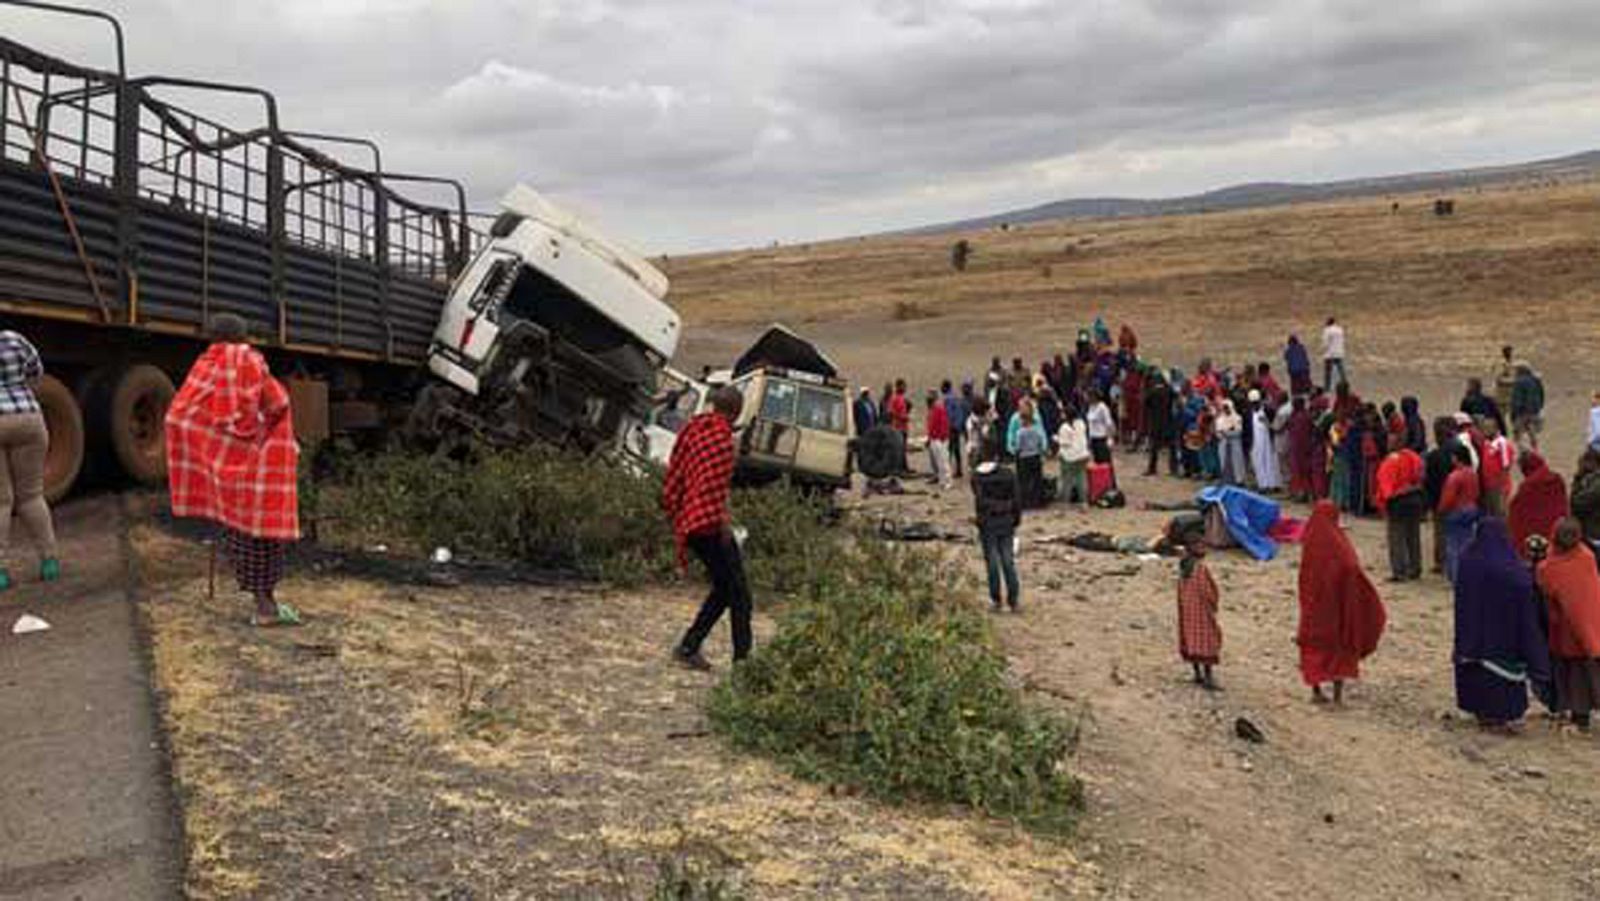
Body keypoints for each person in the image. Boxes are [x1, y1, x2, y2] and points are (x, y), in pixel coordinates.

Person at [166, 314, 301, 626]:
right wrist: (261, 437)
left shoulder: (204, 366)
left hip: (221, 471)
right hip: (258, 465)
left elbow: (178, 416)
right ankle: (266, 607)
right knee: (263, 535)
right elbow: (278, 404)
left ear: (212, 338)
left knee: (238, 532)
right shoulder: (252, 362)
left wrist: (211, 451)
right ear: (243, 337)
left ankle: (261, 604)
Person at [663, 386, 752, 671]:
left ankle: (689, 646)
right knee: (740, 594)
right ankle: (743, 664)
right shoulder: (723, 440)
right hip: (709, 524)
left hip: (690, 520)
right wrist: (723, 522)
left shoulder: (694, 430)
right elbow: (714, 489)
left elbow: (678, 472)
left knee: (725, 589)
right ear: (736, 411)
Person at [1453, 518, 1552, 732]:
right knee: (1500, 680)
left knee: (1478, 675)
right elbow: (1523, 589)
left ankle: (1482, 714)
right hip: (1503, 638)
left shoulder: (1468, 560)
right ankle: (1501, 716)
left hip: (1472, 636)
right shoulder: (1510, 567)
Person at [1297, 500, 1387, 704]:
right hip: (1338, 606)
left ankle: (1316, 691)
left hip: (1313, 605)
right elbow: (1351, 568)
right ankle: (1337, 696)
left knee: (1313, 646)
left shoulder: (1311, 539)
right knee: (1339, 646)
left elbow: (1305, 573)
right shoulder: (1339, 543)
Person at [0, 329, 60, 590]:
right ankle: (49, 561)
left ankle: (1, 573)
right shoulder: (14, 339)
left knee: (1, 501)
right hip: (28, 418)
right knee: (32, 496)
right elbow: (36, 371)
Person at [1535, 519, 1600, 731]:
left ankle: (1578, 716)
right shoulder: (1587, 557)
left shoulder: (1549, 568)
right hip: (1593, 624)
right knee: (1586, 673)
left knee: (1574, 675)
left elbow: (1545, 590)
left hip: (1567, 631)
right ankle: (1580, 716)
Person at [972, 447, 1023, 612]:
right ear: (996, 457)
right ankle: (1013, 600)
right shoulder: (1009, 474)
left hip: (988, 523)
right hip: (1006, 521)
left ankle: (996, 600)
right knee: (1008, 561)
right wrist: (1016, 519)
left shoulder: (977, 477)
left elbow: (979, 502)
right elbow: (1016, 499)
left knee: (992, 562)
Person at [1375, 433, 1426, 582]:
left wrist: (1383, 505)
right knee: (1413, 535)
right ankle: (1415, 568)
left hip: (1398, 501)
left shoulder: (1389, 462)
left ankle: (1400, 571)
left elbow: (1386, 487)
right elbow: (1421, 476)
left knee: (1396, 537)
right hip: (1415, 498)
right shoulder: (1414, 457)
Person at [1176, 542, 1222, 690]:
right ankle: (1208, 678)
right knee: (1207, 641)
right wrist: (1213, 604)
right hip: (1202, 611)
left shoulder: (1183, 569)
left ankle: (1197, 674)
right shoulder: (1200, 569)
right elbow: (1208, 591)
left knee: (1191, 640)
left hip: (1187, 611)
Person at [1509, 452, 1567, 560]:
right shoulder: (1557, 479)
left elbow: (1517, 512)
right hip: (1554, 529)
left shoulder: (1527, 486)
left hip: (1534, 536)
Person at [1439, 444, 1482, 584]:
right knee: (1467, 543)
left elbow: (1448, 499)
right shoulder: (1472, 473)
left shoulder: (1454, 476)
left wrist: (1441, 510)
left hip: (1457, 511)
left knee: (1453, 545)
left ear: (1456, 458)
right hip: (1471, 508)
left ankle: (1456, 577)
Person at [1423, 418, 1458, 575]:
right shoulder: (1459, 451)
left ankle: (1442, 562)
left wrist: (1429, 502)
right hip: (1457, 498)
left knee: (1440, 532)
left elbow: (1428, 481)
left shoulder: (1433, 456)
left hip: (1439, 499)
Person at [1007, 397, 1049, 509]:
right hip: (1033, 454)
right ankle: (1032, 500)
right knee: (1029, 479)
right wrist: (1011, 447)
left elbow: (1042, 434)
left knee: (1029, 479)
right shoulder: (1015, 419)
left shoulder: (1033, 422)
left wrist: (1044, 447)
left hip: (1024, 455)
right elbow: (1010, 434)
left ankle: (1030, 500)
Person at [1057, 403, 1090, 510]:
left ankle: (1065, 502)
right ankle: (1084, 502)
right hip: (1083, 454)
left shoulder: (1064, 427)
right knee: (1081, 479)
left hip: (1069, 456)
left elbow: (1064, 443)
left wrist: (1056, 439)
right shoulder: (1081, 424)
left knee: (1066, 480)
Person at [1479, 418, 1515, 518]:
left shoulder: (1502, 443)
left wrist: (1502, 488)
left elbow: (1506, 466)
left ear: (1495, 429)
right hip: (1488, 485)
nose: (1485, 431)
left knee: (1499, 514)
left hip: (1498, 486)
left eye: (1488, 428)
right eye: (1484, 428)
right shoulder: (1485, 442)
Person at [1143, 369, 1176, 476]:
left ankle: (1152, 468)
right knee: (1171, 447)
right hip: (1168, 421)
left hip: (1156, 422)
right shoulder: (1169, 390)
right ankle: (1173, 469)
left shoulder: (1152, 391)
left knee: (1154, 447)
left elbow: (1146, 402)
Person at [1248, 392, 1281, 492]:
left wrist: (1266, 422)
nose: (1254, 406)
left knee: (1270, 462)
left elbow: (1274, 425)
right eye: (1253, 404)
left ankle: (1273, 484)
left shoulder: (1267, 410)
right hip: (1256, 442)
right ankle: (1263, 484)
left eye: (1256, 403)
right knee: (1258, 462)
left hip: (1267, 442)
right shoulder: (1250, 413)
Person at [1287, 396, 1317, 501]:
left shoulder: (1302, 417)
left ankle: (1303, 494)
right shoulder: (1300, 416)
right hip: (1298, 448)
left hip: (1301, 449)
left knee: (1302, 472)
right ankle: (1301, 492)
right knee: (1299, 472)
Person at [1509, 363, 1544, 451]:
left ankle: (1520, 450)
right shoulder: (1536, 381)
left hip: (1522, 412)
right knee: (1532, 432)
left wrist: (1513, 413)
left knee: (1517, 433)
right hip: (1534, 411)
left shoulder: (1519, 382)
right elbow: (1541, 395)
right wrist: (1539, 408)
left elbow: (1517, 399)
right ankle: (1535, 450)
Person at [1569, 449, 1600, 544]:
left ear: (1592, 463)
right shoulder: (1589, 479)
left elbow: (1576, 503)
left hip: (1593, 534)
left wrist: (1578, 476)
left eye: (1583, 462)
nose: (1580, 465)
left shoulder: (1596, 483)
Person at [924, 389, 953, 490]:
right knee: (938, 462)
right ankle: (942, 480)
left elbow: (944, 424)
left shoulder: (939, 409)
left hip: (940, 439)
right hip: (934, 438)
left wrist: (942, 438)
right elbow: (930, 426)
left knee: (943, 461)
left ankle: (948, 481)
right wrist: (929, 438)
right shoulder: (932, 410)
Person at [1216, 399, 1246, 486]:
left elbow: (1238, 432)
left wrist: (1226, 433)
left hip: (1235, 444)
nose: (1226, 410)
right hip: (1223, 444)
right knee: (1224, 462)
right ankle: (1227, 480)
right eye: (1224, 408)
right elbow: (1218, 433)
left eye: (1227, 408)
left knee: (1237, 462)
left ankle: (1239, 480)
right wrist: (1226, 432)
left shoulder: (1237, 418)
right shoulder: (1220, 420)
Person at [948, 381, 973, 478]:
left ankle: (961, 468)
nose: (964, 390)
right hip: (961, 426)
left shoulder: (962, 401)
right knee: (956, 449)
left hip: (965, 427)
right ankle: (959, 469)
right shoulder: (962, 401)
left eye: (966, 388)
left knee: (963, 448)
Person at [886, 379, 911, 472]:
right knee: (899, 449)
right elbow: (890, 412)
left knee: (903, 448)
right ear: (898, 387)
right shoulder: (894, 398)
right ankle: (898, 468)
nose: (905, 388)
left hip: (904, 428)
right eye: (903, 386)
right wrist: (901, 417)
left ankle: (904, 467)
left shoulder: (902, 398)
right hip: (898, 428)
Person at [1086, 390, 1115, 466]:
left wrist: (1110, 438)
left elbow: (1109, 423)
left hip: (1101, 438)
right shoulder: (1091, 407)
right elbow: (1090, 424)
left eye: (1089, 397)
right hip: (1093, 438)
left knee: (1104, 463)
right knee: (1097, 463)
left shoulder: (1102, 407)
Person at [1321, 317, 1347, 391]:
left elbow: (1325, 343)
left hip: (1330, 354)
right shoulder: (1340, 330)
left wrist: (1323, 350)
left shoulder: (1327, 330)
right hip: (1339, 352)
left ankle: (1327, 387)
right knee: (1341, 371)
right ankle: (1345, 385)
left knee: (1328, 372)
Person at [1492, 345, 1517, 417]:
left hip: (1509, 395)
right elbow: (1498, 379)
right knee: (1501, 415)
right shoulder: (1501, 364)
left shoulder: (1510, 363)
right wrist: (1513, 381)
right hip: (1501, 395)